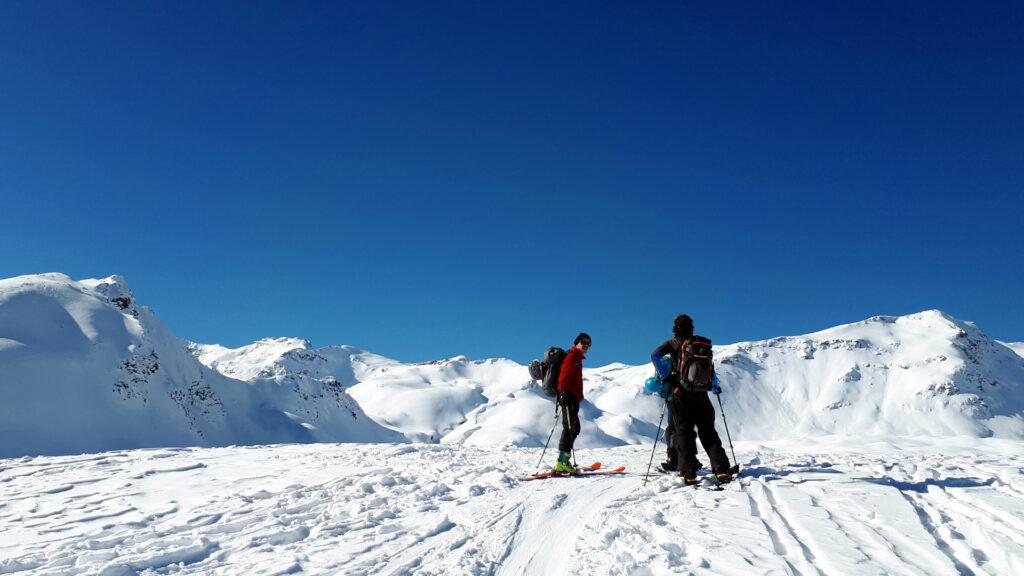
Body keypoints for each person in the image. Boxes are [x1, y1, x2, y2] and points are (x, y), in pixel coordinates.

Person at [651, 314, 731, 485]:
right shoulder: (700, 345)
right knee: (709, 433)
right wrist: (714, 385)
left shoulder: (672, 344)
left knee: (684, 434)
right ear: (691, 328)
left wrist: (667, 377)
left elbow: (654, 356)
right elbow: (711, 370)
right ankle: (721, 469)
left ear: (675, 328)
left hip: (681, 396)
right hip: (702, 396)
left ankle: (688, 472)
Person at [553, 332, 591, 474]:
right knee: (570, 428)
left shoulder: (577, 358)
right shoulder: (572, 356)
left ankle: (564, 460)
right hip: (568, 397)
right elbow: (564, 375)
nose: (586, 345)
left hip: (572, 397)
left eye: (588, 344)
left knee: (573, 428)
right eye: (584, 342)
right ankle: (562, 462)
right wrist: (563, 393)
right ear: (576, 342)